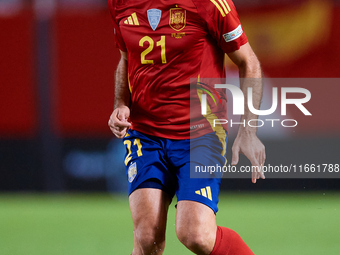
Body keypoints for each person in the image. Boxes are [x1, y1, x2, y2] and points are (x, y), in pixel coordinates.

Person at [108, 0, 265, 254]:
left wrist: (249, 131)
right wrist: (121, 103)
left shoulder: (209, 4)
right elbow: (126, 57)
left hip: (200, 133)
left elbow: (249, 62)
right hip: (145, 134)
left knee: (196, 235)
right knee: (147, 238)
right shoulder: (120, 3)